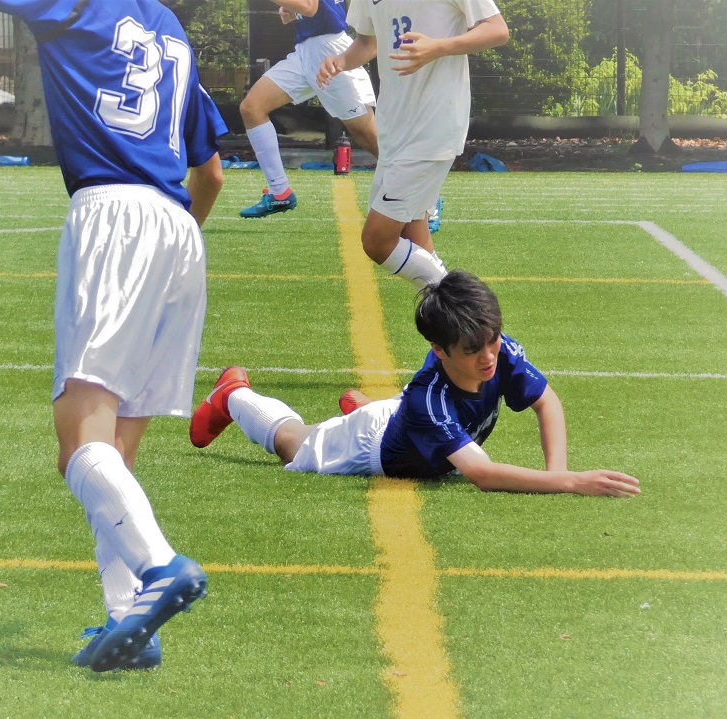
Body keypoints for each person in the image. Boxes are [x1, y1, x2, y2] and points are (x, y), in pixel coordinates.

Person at [0, 0, 227, 672]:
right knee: (113, 450)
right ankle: (129, 623)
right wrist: (174, 243)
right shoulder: (170, 29)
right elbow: (213, 172)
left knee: (79, 445)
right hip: (179, 232)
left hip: (112, 216)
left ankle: (161, 569)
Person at [190, 271, 641, 498]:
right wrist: (570, 483)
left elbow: (548, 402)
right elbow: (482, 475)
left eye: (493, 340)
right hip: (373, 445)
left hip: (403, 421)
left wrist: (555, 470)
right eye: (473, 350)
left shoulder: (497, 350)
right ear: (439, 350)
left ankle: (367, 406)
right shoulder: (432, 399)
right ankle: (235, 394)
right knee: (294, 443)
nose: (489, 357)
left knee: (416, 425)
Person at [317, 0, 510, 290]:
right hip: (394, 130)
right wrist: (341, 62)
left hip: (432, 126)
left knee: (377, 240)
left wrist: (438, 47)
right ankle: (462, 326)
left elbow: (497, 29)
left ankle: (471, 319)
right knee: (412, 235)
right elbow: (368, 42)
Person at [239, 0, 379, 218]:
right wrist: (294, 11)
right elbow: (315, 8)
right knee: (252, 108)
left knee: (371, 138)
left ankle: (424, 198)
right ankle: (280, 191)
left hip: (330, 50)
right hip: (305, 52)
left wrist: (297, 8)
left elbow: (310, 6)